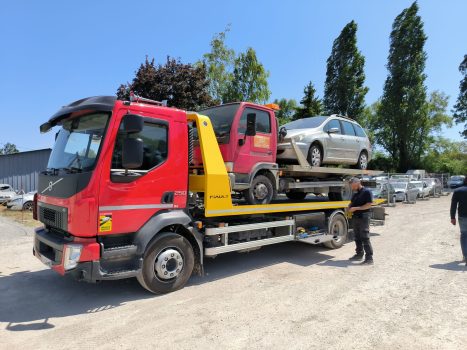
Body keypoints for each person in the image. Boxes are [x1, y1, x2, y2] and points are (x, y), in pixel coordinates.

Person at [347, 177, 374, 265]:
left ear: (357, 183)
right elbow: (351, 202)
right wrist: (349, 207)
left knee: (365, 237)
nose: (351, 187)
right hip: (356, 217)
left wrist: (356, 208)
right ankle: (359, 254)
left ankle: (369, 259)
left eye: (352, 185)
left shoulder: (367, 192)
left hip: (364, 217)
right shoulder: (355, 194)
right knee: (357, 237)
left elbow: (369, 205)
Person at [450, 175, 467, 266]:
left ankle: (466, 256)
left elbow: (453, 205)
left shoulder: (458, 191)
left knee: (464, 235)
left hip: (463, 217)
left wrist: (452, 217)